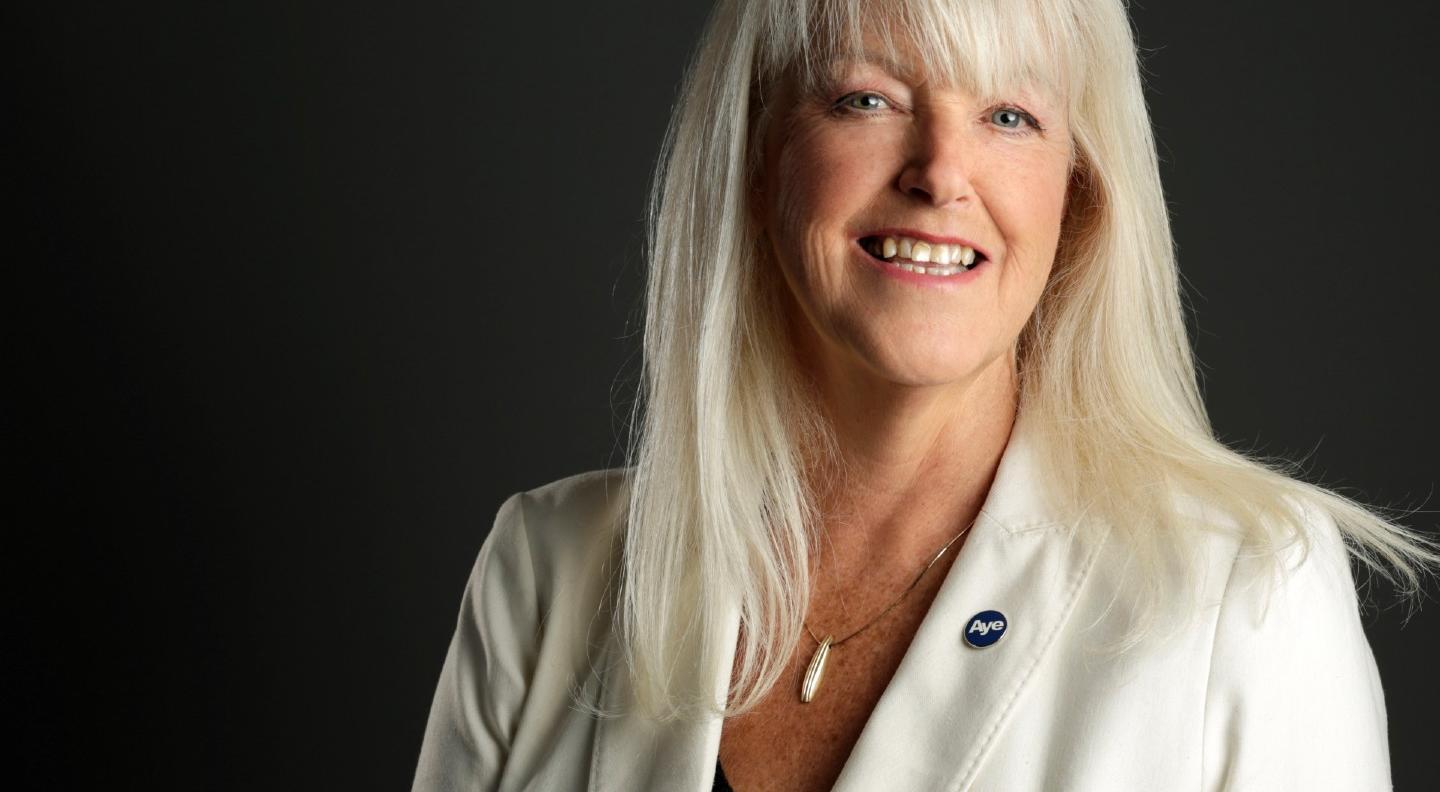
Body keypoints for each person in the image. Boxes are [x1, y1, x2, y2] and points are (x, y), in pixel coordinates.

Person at [411, 1, 1439, 789]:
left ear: (1079, 193)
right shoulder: (549, 571)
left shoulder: (1246, 594)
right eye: (869, 98)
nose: (944, 172)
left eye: (1009, 114)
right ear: (759, 151)